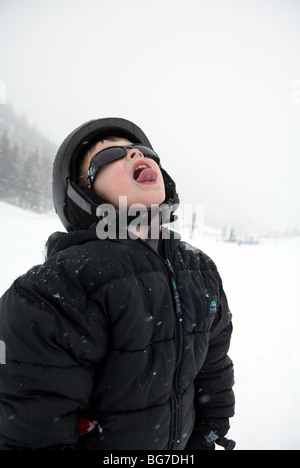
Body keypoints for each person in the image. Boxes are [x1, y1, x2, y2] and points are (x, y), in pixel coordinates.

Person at [0, 117, 235, 450]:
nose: (135, 155)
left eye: (142, 150)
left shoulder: (200, 270)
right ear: (81, 195)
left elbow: (214, 368)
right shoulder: (56, 289)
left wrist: (208, 436)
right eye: (108, 155)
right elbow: (34, 428)